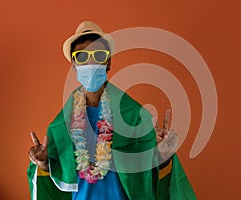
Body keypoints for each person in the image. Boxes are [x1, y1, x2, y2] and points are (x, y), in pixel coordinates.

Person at [27, 21, 196, 200]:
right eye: (82, 56)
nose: (90, 62)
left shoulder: (134, 117)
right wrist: (44, 163)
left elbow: (149, 177)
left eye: (98, 55)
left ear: (108, 62)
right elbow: (57, 181)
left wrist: (162, 155)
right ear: (74, 65)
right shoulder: (61, 126)